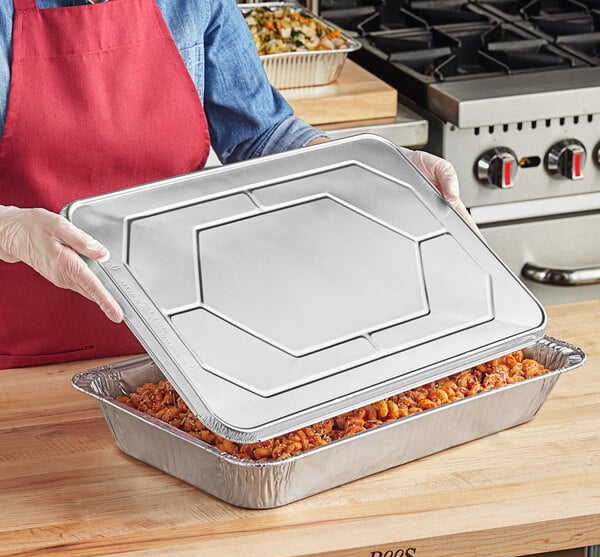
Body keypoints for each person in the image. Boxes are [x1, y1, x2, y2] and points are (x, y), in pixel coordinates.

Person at [0, 0, 468, 370]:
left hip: (177, 347)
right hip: (19, 356)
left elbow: (261, 134)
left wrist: (373, 166)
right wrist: (12, 230)